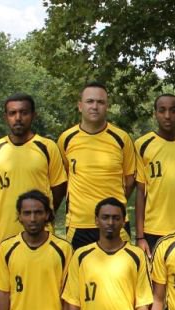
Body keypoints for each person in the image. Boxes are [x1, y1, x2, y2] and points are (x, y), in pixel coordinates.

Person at [57, 82, 136, 249]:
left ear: (107, 106)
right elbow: (64, 177)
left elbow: (129, 181)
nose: (95, 106)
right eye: (90, 101)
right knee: (79, 266)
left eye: (100, 102)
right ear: (80, 106)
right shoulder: (66, 139)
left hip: (116, 223)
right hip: (78, 225)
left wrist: (113, 204)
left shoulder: (122, 139)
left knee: (121, 266)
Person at [0, 93, 67, 240]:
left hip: (42, 235)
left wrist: (43, 212)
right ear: (6, 117)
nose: (18, 118)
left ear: (33, 115)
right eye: (12, 113)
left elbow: (59, 187)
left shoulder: (48, 147)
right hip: (5, 234)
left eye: (24, 112)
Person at [134, 94, 175, 253]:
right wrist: (140, 236)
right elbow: (140, 192)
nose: (167, 116)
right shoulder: (142, 145)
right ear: (155, 114)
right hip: (153, 229)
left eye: (173, 110)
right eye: (162, 110)